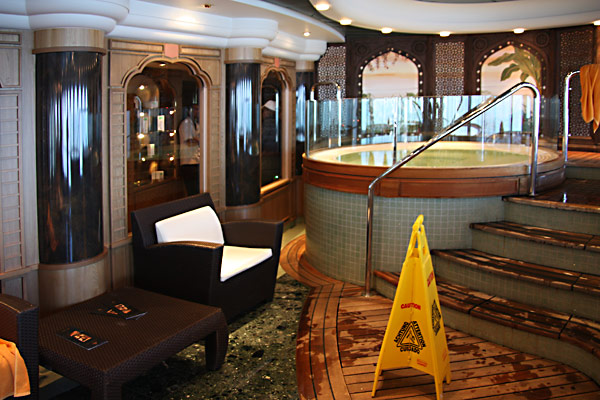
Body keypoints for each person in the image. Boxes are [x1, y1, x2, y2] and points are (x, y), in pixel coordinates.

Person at [178, 106, 200, 196]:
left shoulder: (196, 124)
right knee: (192, 190)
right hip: (189, 163)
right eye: (196, 109)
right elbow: (189, 141)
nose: (198, 111)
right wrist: (200, 140)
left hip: (196, 161)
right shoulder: (186, 123)